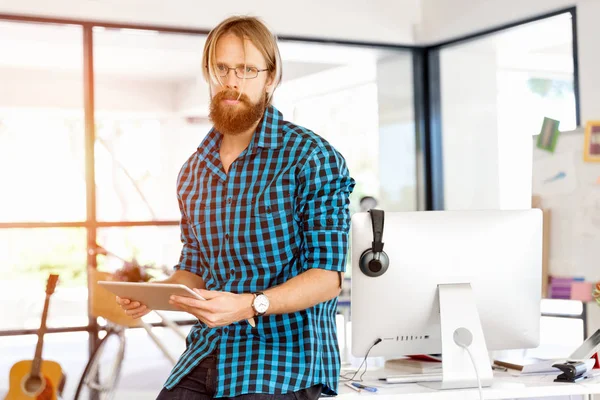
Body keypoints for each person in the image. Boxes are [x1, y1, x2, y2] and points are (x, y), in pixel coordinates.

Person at [116, 15, 355, 400]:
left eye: (246, 69)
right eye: (222, 69)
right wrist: (153, 293)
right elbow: (193, 268)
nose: (232, 81)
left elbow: (327, 277)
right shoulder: (194, 171)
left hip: (284, 362)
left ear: (270, 77)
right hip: (207, 352)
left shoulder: (311, 157)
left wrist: (249, 306)